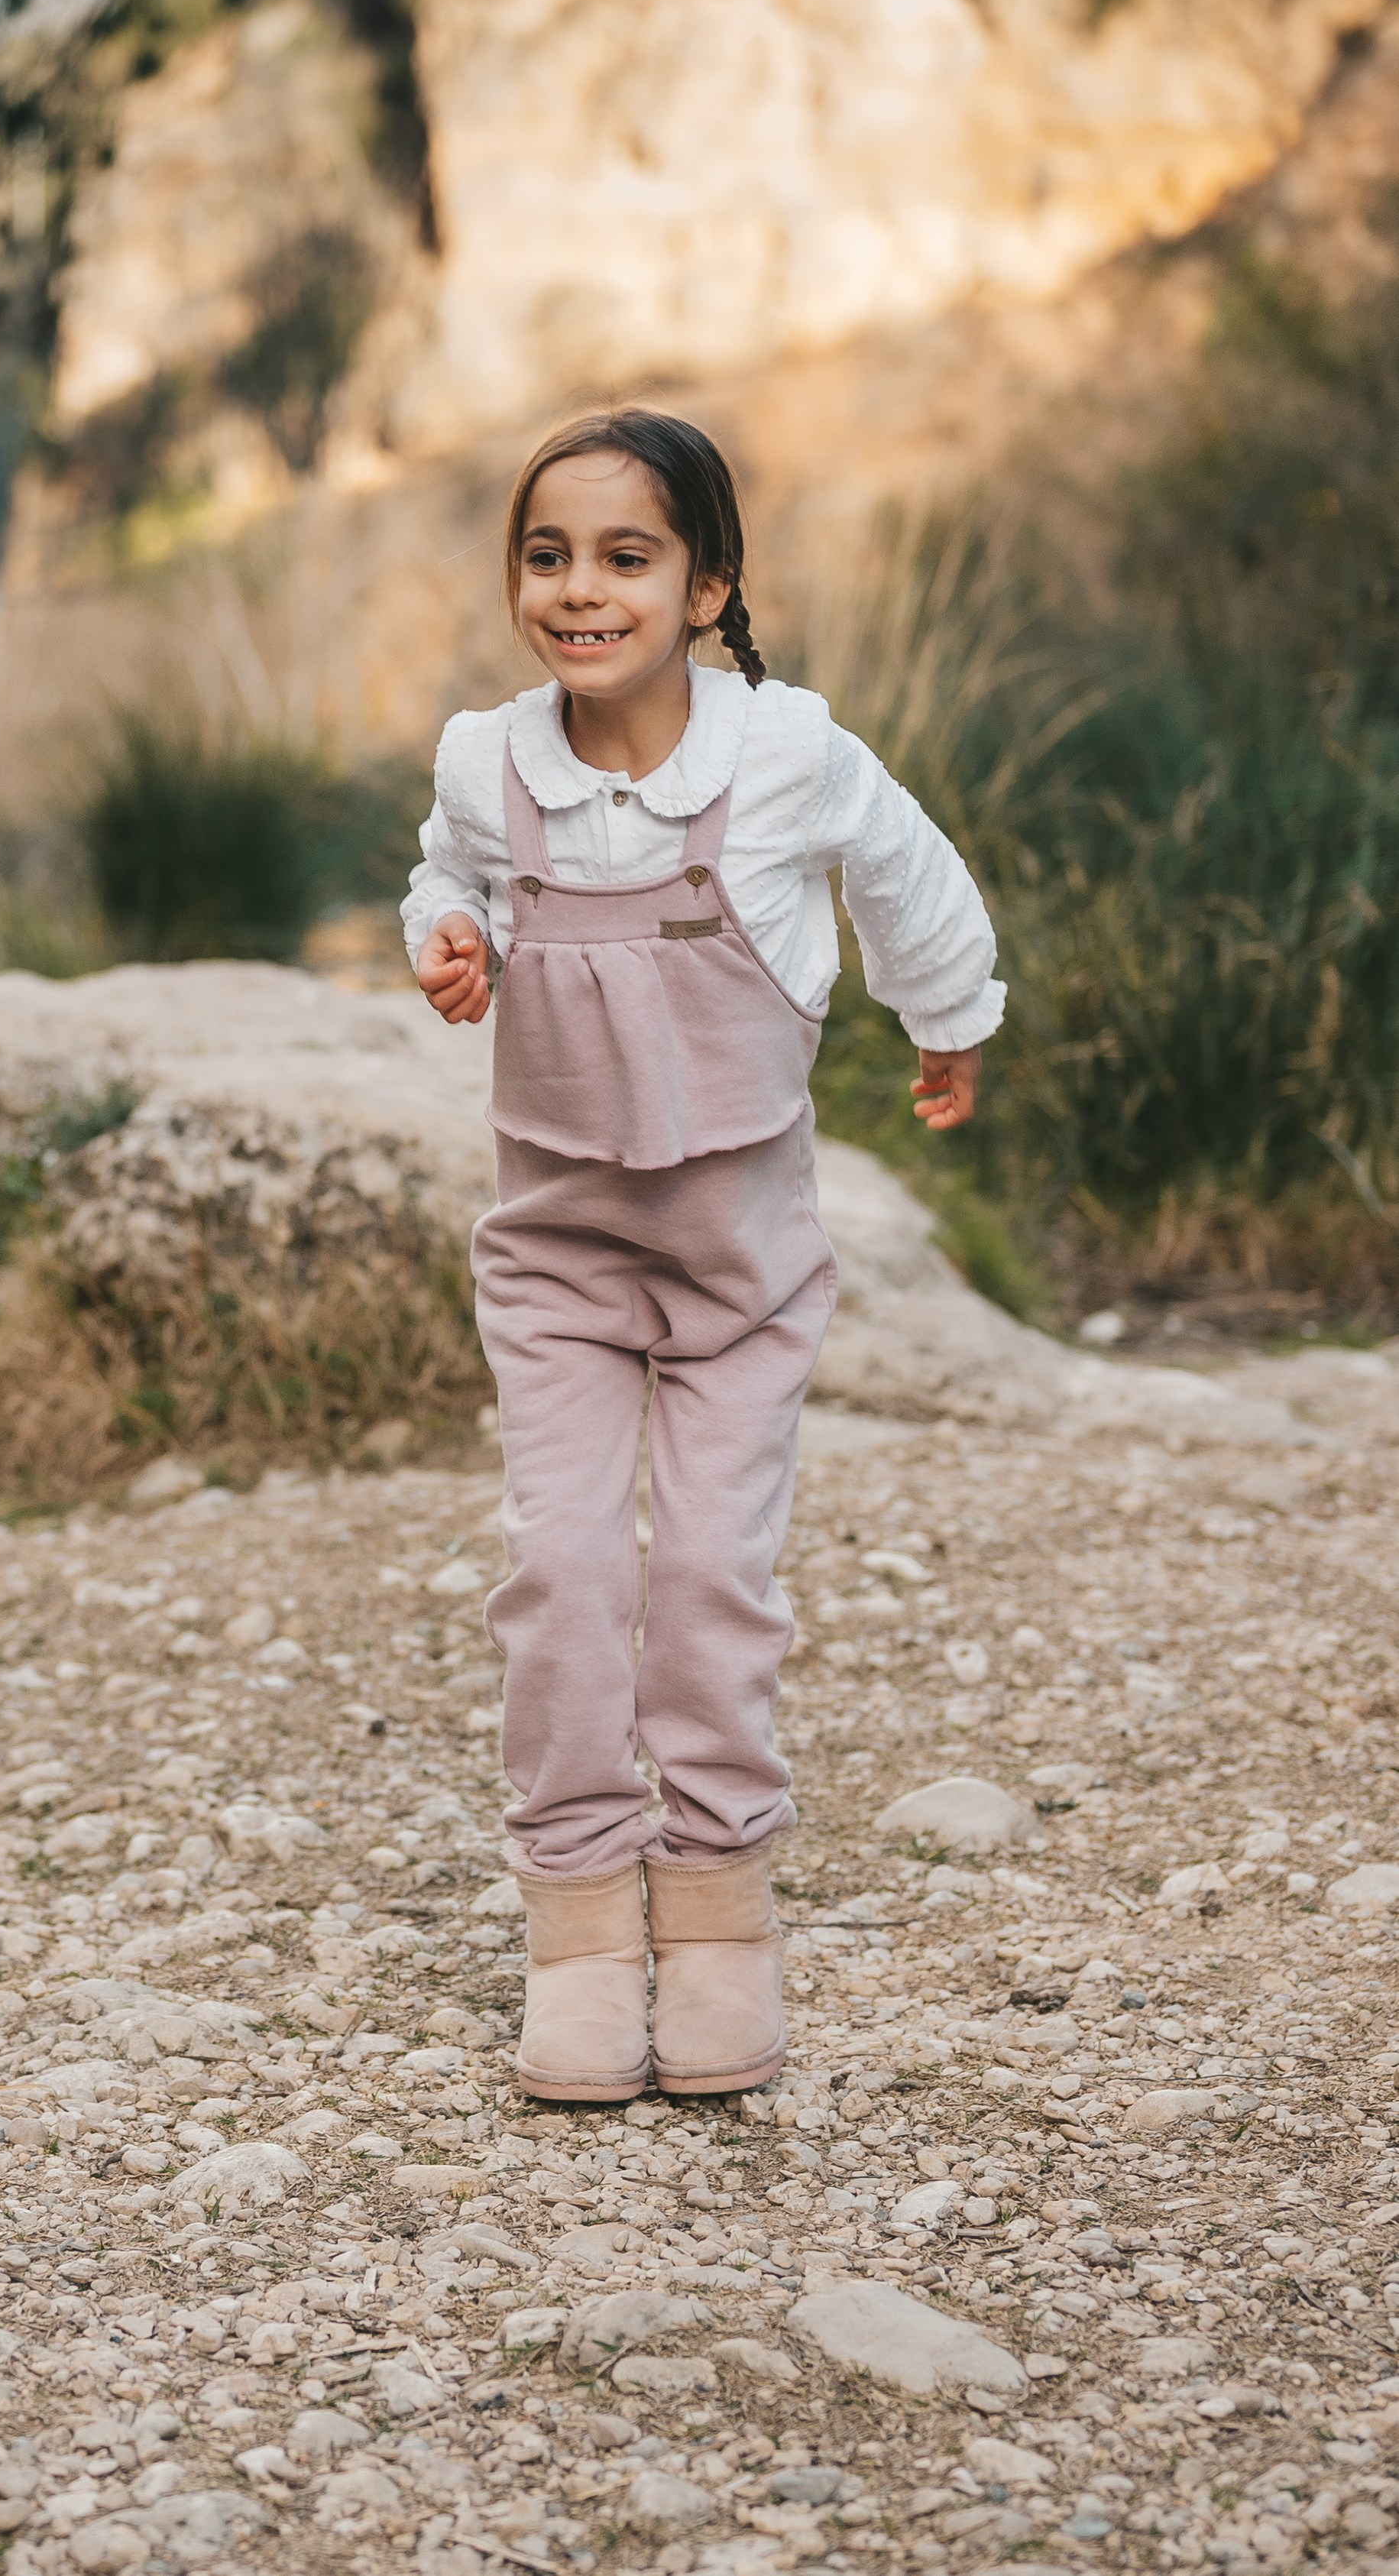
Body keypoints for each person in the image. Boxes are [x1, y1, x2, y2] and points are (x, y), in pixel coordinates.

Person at [403, 408, 1002, 2105]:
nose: (578, 591)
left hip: (740, 1261)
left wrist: (945, 1019)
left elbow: (907, 872)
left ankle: (721, 1915)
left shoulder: (785, 755)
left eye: (624, 557)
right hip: (558, 1253)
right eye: (547, 554)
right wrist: (448, 941)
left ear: (704, 585)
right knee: (565, 1578)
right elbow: (446, 880)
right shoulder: (487, 761)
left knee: (710, 1587)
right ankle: (584, 1930)